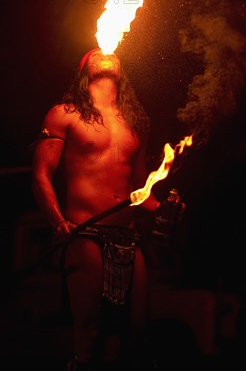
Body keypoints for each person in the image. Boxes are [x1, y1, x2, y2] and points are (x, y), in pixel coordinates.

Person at [31, 48, 160, 370]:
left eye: (112, 52)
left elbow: (140, 187)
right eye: (97, 52)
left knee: (137, 330)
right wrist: (56, 221)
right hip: (84, 230)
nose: (106, 52)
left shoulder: (136, 122)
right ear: (84, 68)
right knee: (89, 329)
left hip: (127, 235)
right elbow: (41, 175)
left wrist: (163, 206)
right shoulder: (65, 114)